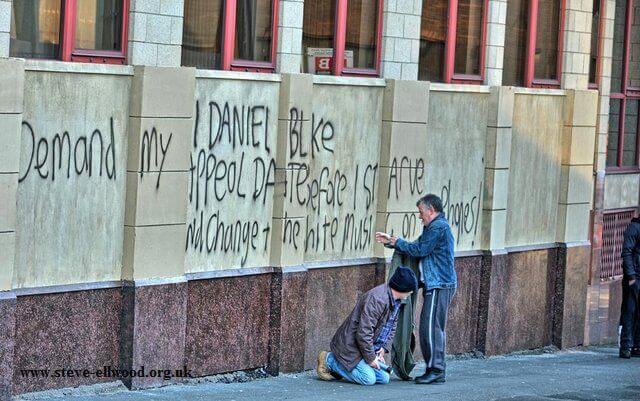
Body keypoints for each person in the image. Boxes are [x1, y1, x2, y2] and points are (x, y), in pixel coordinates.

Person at [375, 193, 456, 385]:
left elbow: (420, 250)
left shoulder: (438, 227)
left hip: (440, 285)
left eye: (421, 212)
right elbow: (417, 247)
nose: (419, 216)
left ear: (431, 210)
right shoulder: (433, 227)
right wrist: (392, 242)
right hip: (435, 284)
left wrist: (395, 241)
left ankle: (436, 370)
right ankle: (434, 369)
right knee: (428, 328)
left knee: (431, 329)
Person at [316, 267, 418, 385]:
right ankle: (329, 360)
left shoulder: (395, 300)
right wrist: (371, 358)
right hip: (351, 347)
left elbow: (392, 326)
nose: (411, 293)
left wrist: (383, 348)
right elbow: (364, 333)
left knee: (384, 378)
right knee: (368, 379)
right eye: (410, 290)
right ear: (402, 288)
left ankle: (344, 367)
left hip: (366, 347)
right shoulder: (377, 299)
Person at [620, 215, 640, 358]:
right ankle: (626, 346)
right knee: (630, 310)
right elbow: (626, 252)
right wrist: (631, 276)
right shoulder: (634, 228)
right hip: (634, 277)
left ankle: (637, 346)